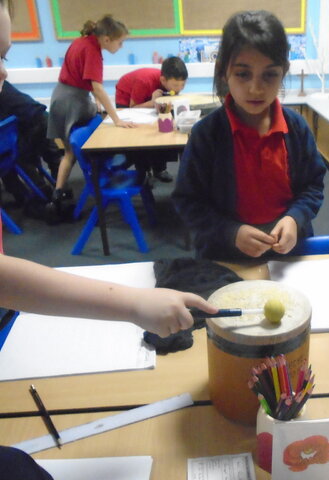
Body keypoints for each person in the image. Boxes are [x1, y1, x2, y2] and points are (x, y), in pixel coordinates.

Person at [0, 2, 217, 473]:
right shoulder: (92, 54)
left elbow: (6, 281)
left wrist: (136, 305)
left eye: (4, 57)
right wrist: (135, 305)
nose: (4, 77)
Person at [172, 10, 326, 260]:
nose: (256, 88)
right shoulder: (206, 135)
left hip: (288, 253)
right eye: (243, 74)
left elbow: (313, 186)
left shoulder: (296, 128)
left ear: (283, 72)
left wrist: (294, 218)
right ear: (224, 72)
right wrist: (230, 232)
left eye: (269, 74)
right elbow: (188, 201)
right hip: (226, 253)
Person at [46, 14, 136, 224]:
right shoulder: (93, 51)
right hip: (71, 102)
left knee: (69, 153)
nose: (121, 46)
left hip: (64, 96)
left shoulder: (83, 42)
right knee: (71, 152)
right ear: (107, 39)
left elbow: (86, 79)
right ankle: (59, 198)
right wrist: (116, 119)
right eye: (120, 42)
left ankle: (58, 194)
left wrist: (96, 102)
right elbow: (97, 87)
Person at [115, 57, 189, 183]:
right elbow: (133, 107)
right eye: (176, 85)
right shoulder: (144, 81)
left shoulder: (168, 82)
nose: (179, 89)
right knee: (140, 134)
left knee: (161, 131)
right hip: (127, 101)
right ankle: (143, 171)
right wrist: (153, 102)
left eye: (183, 84)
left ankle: (159, 169)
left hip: (149, 98)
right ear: (163, 80)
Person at [0, 80, 62, 211]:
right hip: (40, 117)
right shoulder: (3, 83)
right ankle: (60, 193)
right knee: (52, 158)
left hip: (33, 123)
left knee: (22, 159)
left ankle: (39, 194)